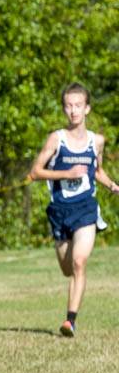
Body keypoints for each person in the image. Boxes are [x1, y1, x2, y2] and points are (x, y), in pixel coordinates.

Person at [28, 83, 119, 337]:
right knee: (67, 268)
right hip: (60, 211)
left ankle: (70, 321)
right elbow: (35, 172)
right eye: (68, 106)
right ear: (64, 109)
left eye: (78, 105)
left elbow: (97, 170)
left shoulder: (96, 141)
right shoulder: (56, 139)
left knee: (80, 262)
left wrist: (112, 185)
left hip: (86, 209)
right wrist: (65, 173)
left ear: (87, 108)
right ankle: (71, 311)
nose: (73, 111)